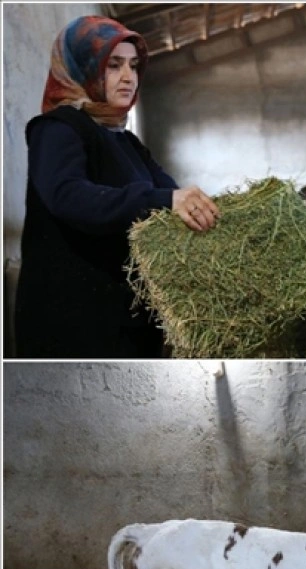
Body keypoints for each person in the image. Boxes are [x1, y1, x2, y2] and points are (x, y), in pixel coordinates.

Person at [15, 15, 221, 358]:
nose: (129, 77)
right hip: (75, 325)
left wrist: (203, 211)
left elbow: (168, 192)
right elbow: (69, 197)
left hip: (127, 319)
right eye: (113, 65)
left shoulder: (126, 141)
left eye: (134, 66)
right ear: (84, 69)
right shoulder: (56, 129)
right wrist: (164, 200)